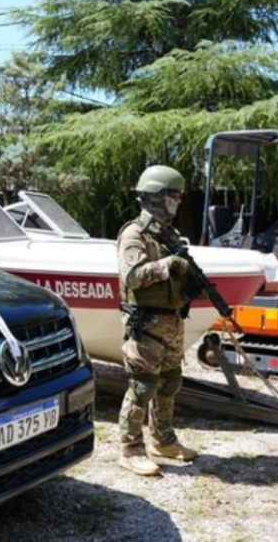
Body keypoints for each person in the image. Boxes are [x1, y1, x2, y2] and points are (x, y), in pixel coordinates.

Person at [116, 164, 198, 476]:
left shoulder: (169, 234)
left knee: (170, 382)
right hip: (146, 324)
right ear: (155, 196)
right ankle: (130, 448)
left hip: (172, 321)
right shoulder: (134, 234)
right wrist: (167, 265)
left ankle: (163, 440)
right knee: (143, 386)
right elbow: (132, 276)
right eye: (173, 195)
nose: (178, 201)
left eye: (178, 195)